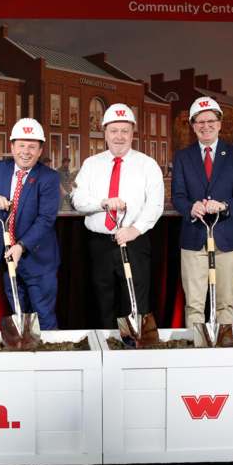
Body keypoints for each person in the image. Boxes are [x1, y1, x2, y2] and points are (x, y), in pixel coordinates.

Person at [72, 103, 164, 328]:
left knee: (135, 301)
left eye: (125, 131)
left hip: (134, 241)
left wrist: (134, 230)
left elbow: (155, 204)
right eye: (114, 131)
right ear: (105, 133)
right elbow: (77, 200)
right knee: (102, 301)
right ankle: (105, 351)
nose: (119, 136)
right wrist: (102, 203)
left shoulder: (147, 165)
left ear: (133, 133)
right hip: (99, 244)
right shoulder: (91, 164)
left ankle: (133, 350)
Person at [171, 97, 233, 346]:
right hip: (194, 237)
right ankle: (196, 352)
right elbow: (178, 196)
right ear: (193, 126)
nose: (205, 126)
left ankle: (223, 352)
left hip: (227, 238)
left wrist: (225, 206)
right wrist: (190, 207)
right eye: (200, 122)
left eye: (211, 121)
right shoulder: (183, 157)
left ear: (220, 124)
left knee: (225, 301)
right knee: (194, 303)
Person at [0, 118, 61, 330]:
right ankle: (26, 356)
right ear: (11, 147)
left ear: (40, 151)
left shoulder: (49, 178)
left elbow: (46, 219)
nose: (26, 151)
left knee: (44, 316)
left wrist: (21, 246)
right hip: (7, 260)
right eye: (21, 145)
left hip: (38, 261)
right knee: (19, 315)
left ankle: (54, 361)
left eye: (32, 146)